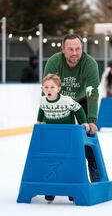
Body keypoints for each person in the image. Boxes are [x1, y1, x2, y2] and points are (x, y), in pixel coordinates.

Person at [43, 34, 100, 200]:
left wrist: (92, 120)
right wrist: (48, 116)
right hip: (59, 101)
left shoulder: (89, 64)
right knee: (55, 140)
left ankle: (93, 169)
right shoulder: (54, 62)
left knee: (86, 136)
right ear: (63, 49)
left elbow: (92, 92)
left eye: (78, 49)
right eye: (70, 49)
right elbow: (47, 91)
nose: (74, 53)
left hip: (82, 100)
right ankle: (52, 182)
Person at [37, 74, 90, 202]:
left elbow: (79, 108)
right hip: (52, 138)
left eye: (52, 87)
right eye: (46, 87)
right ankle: (51, 190)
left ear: (59, 88)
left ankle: (72, 189)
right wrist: (39, 121)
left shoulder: (66, 100)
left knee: (69, 162)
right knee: (52, 162)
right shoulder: (42, 100)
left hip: (68, 136)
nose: (49, 89)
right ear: (42, 89)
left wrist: (83, 122)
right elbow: (42, 110)